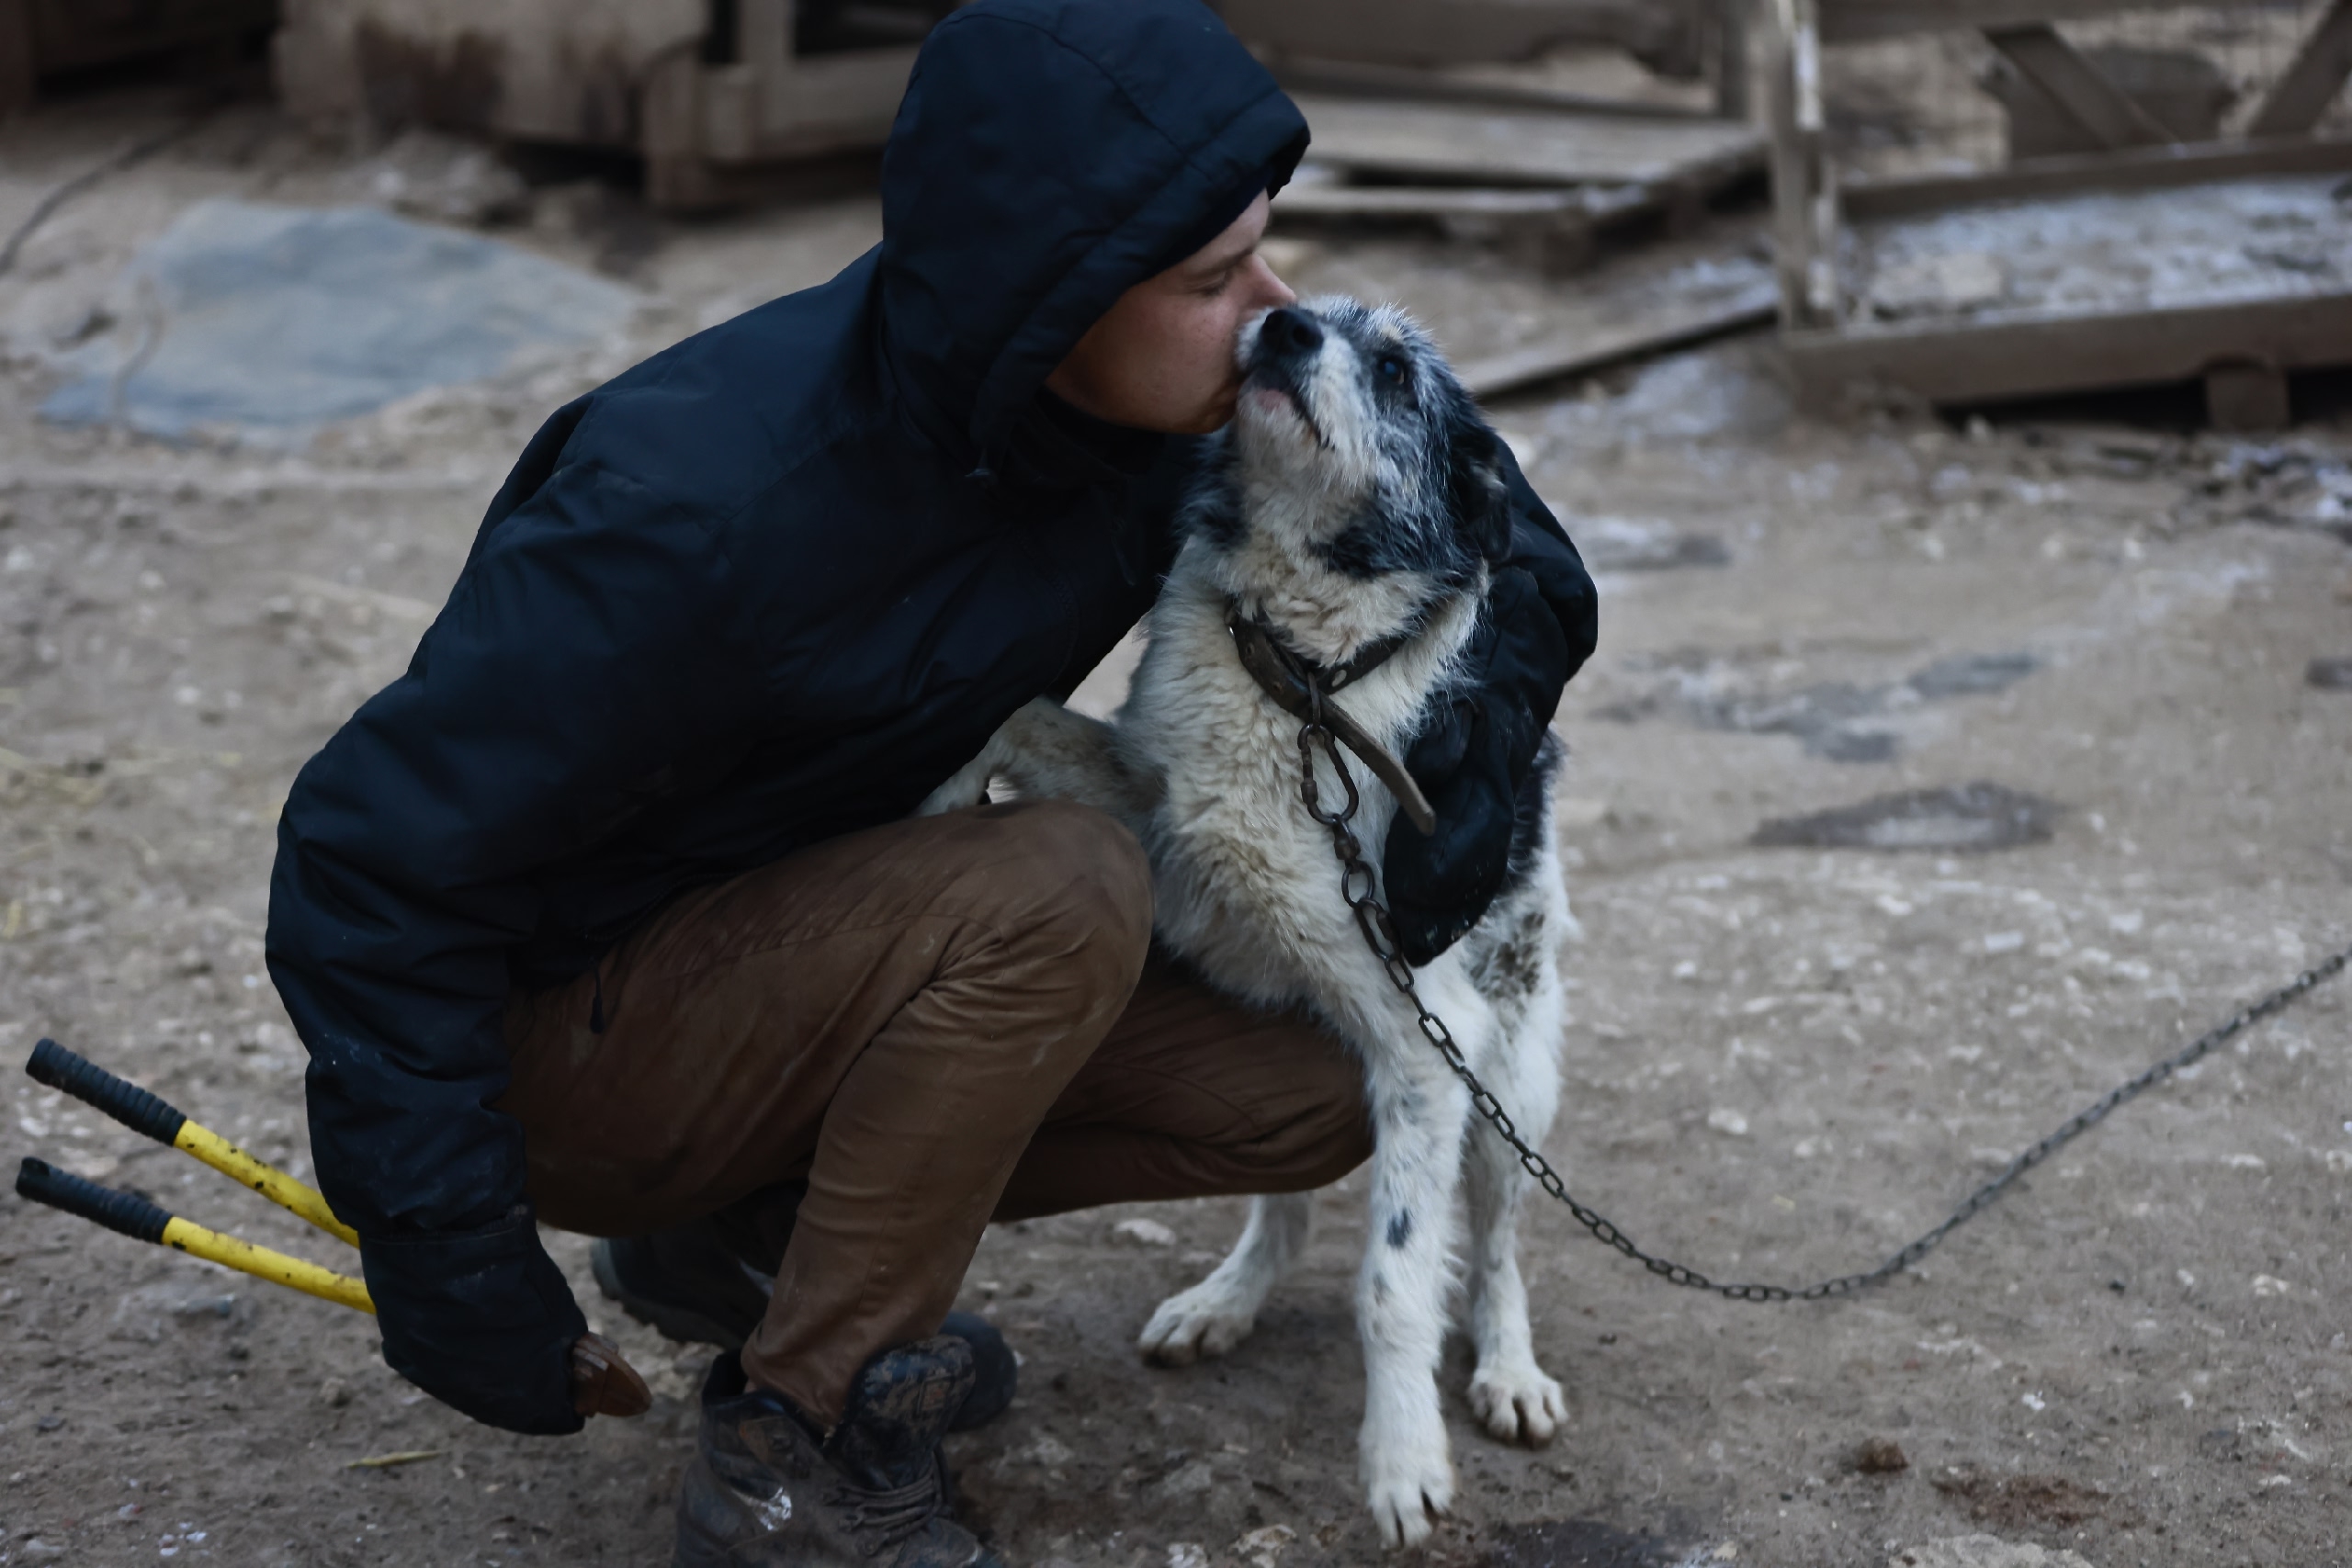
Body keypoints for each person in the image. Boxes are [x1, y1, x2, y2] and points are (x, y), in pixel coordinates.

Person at [264, 2, 1597, 1563]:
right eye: (1209, 277)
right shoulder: (696, 508)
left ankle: (745, 1247)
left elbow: (1515, 548)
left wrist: (1490, 736)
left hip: (774, 966)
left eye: (1264, 250)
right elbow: (366, 857)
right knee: (1056, 885)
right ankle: (800, 1448)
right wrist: (447, 1249)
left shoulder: (1126, 422)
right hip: (568, 1041)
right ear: (1057, 297)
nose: (1268, 311)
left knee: (1308, 1079)